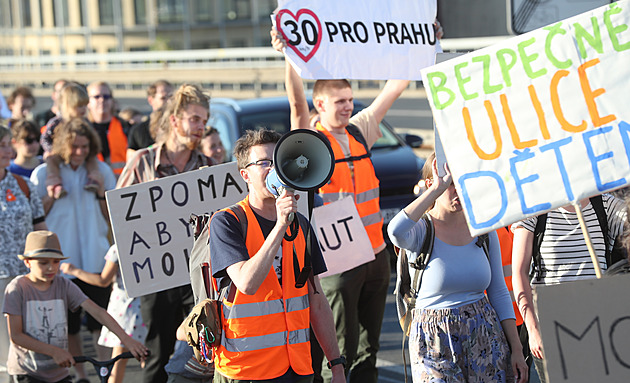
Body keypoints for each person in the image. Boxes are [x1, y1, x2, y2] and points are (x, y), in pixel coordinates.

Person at [272, 28, 404, 382]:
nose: (348, 106)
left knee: (369, 346)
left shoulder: (361, 129)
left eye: (350, 100)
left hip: (376, 254)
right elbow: (296, 106)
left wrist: (423, 43)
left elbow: (394, 87)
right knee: (340, 350)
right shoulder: (310, 141)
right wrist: (290, 57)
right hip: (339, 259)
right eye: (339, 101)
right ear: (321, 105)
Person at [208, 128, 345, 383]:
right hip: (247, 370)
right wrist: (281, 225)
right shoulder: (227, 222)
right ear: (245, 175)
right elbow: (247, 284)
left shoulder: (301, 225)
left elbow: (316, 300)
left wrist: (336, 365)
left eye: (278, 162)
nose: (274, 170)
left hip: (298, 367)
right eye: (264, 163)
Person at [388, 153, 527, 383]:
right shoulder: (421, 231)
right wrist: (434, 191)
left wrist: (517, 349)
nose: (458, 191)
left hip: (484, 333)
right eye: (450, 184)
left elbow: (499, 292)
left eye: (463, 183)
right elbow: (395, 231)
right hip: (433, 340)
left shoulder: (482, 229)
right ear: (432, 183)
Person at [117, 83, 215, 383]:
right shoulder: (143, 162)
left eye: (204, 120)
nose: (201, 127)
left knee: (199, 352)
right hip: (156, 277)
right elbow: (120, 217)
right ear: (174, 120)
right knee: (157, 355)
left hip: (196, 278)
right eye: (194, 119)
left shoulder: (206, 167)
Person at [30, 118, 117, 383]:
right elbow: (35, 216)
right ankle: (80, 375)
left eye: (85, 146)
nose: (80, 152)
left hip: (94, 258)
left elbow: (114, 216)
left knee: (99, 324)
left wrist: (102, 192)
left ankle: (103, 372)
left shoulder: (101, 169)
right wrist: (51, 195)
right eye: (75, 146)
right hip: (61, 263)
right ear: (63, 146)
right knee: (68, 326)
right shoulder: (44, 173)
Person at [2, 230, 148, 383]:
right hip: (28, 372)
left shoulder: (63, 285)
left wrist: (127, 340)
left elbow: (97, 312)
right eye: (43, 263)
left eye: (55, 262)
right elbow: (16, 336)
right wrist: (54, 352)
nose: (51, 268)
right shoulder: (17, 288)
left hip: (59, 373)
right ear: (27, 262)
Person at [511, 194, 626, 382]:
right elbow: (519, 272)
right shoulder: (534, 209)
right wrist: (533, 330)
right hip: (552, 331)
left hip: (600, 328)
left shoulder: (604, 204)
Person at [0, 125, 47, 383]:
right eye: (2, 145)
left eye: (9, 144)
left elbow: (40, 229)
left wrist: (48, 265)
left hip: (24, 279)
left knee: (24, 351)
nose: (7, 150)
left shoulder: (23, 185)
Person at [60, 244, 147, 383]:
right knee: (147, 358)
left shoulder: (119, 247)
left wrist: (74, 271)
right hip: (147, 305)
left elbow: (103, 280)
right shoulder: (150, 243)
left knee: (119, 358)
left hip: (126, 309)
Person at [40, 82, 102, 200]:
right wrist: (51, 150)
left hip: (80, 155)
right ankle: (56, 184)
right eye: (79, 106)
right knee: (50, 159)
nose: (83, 109)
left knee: (92, 158)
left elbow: (93, 139)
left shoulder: (86, 123)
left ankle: (93, 179)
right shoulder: (57, 123)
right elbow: (44, 139)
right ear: (68, 106)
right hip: (59, 154)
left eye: (85, 105)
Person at [86, 81, 128, 176]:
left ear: (112, 101)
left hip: (122, 183)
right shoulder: (82, 129)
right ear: (88, 102)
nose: (102, 100)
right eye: (97, 97)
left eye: (106, 97)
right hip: (93, 183)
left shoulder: (125, 127)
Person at [126, 80, 173, 159]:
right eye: (163, 98)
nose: (169, 102)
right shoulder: (138, 131)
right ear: (151, 100)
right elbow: (131, 160)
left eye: (172, 97)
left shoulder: (179, 128)